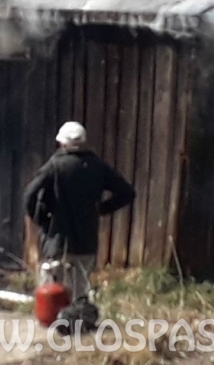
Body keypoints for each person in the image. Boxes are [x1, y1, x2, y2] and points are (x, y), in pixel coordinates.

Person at [24, 121, 136, 298]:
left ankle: (54, 322)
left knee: (51, 293)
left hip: (57, 241)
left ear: (64, 143)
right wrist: (102, 209)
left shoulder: (54, 166)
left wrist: (42, 220)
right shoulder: (98, 166)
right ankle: (77, 323)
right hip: (86, 241)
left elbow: (29, 195)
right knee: (79, 292)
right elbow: (127, 192)